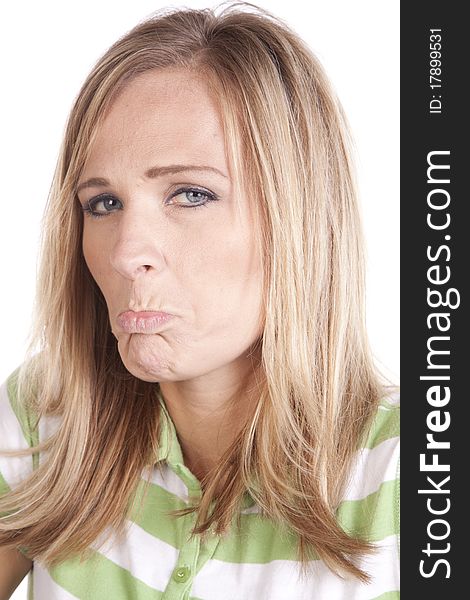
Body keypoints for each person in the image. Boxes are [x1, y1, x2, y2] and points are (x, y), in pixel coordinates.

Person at [0, 2, 399, 598]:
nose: (126, 251)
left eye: (190, 194)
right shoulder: (45, 419)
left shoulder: (412, 473)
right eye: (103, 203)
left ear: (301, 219)